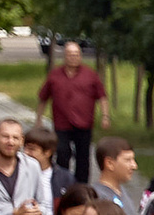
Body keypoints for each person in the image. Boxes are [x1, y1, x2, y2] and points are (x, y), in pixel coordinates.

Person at [37, 42, 107, 180]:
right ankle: (62, 183)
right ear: (65, 56)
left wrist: (105, 116)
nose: (73, 57)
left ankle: (81, 187)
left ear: (80, 56)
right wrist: (38, 119)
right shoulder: (55, 75)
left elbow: (102, 96)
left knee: (83, 157)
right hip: (61, 123)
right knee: (62, 153)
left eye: (76, 54)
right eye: (70, 54)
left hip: (84, 123)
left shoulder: (90, 75)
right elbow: (43, 97)